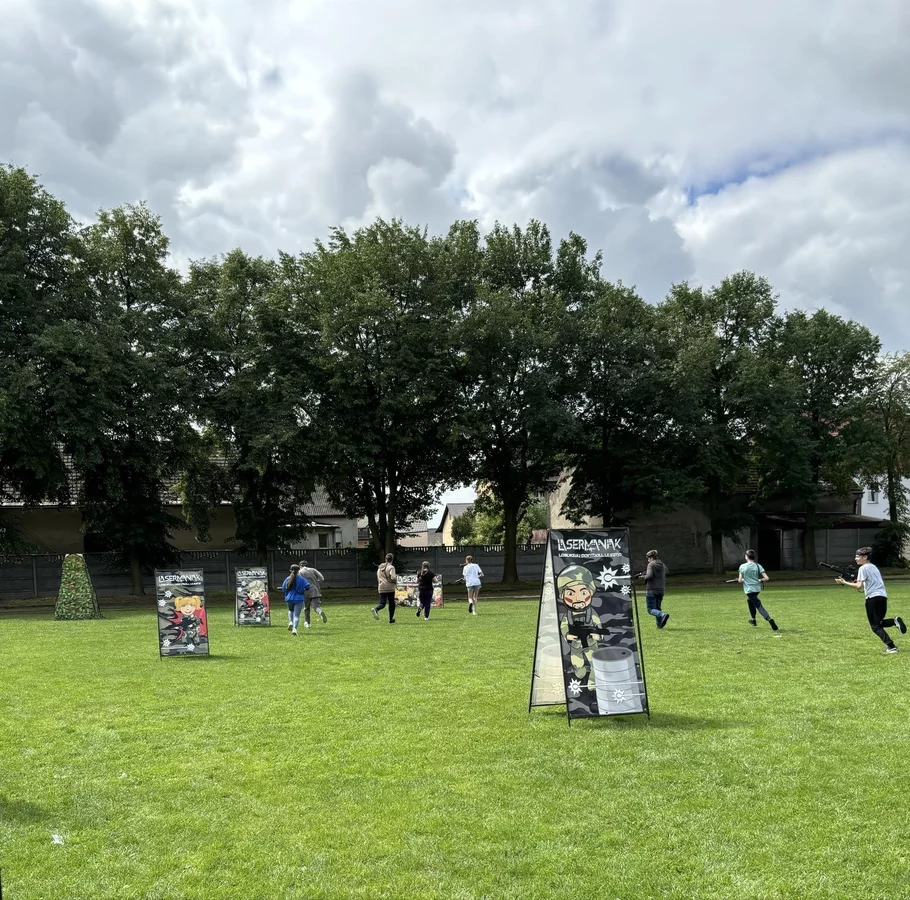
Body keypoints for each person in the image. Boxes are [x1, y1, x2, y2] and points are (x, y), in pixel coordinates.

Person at [835, 546, 906, 654]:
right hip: (882, 597)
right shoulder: (873, 567)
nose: (855, 558)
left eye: (857, 556)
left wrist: (843, 582)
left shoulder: (863, 568)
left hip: (872, 598)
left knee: (875, 626)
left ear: (865, 557)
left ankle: (891, 647)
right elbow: (865, 583)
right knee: (879, 622)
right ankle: (894, 621)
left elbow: (858, 586)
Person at [737, 549, 778, 631]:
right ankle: (753, 620)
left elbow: (740, 580)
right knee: (750, 600)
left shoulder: (742, 566)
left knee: (758, 605)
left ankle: (769, 618)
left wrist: (744, 579)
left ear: (747, 556)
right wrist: (759, 580)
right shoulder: (758, 566)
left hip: (749, 590)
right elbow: (766, 578)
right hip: (757, 589)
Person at [641, 550, 669, 629]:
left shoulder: (651, 564)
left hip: (651, 590)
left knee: (650, 609)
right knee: (657, 608)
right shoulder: (662, 565)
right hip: (661, 590)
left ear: (651, 557)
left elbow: (649, 576)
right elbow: (666, 571)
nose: (648, 560)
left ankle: (662, 615)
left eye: (648, 558)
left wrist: (643, 577)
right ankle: (659, 625)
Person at [281, 564, 310, 636]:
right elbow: (307, 586)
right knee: (296, 615)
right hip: (299, 599)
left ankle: (290, 622)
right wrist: (303, 589)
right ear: (298, 570)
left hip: (289, 598)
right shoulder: (302, 579)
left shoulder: (288, 579)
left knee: (290, 610)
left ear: (290, 570)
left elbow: (283, 588)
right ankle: (294, 629)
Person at [298, 559, 327, 628]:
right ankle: (320, 612)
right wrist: (315, 582)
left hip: (305, 590)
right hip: (314, 589)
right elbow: (322, 578)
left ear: (300, 566)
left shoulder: (299, 572)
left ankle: (308, 624)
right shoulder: (313, 570)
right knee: (316, 606)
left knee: (306, 608)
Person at [373, 554, 397, 624]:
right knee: (391, 603)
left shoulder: (379, 568)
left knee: (382, 603)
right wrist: (395, 581)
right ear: (392, 560)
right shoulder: (391, 567)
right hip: (390, 587)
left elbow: (378, 578)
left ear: (385, 559)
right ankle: (391, 619)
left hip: (381, 587)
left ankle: (376, 609)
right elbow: (393, 577)